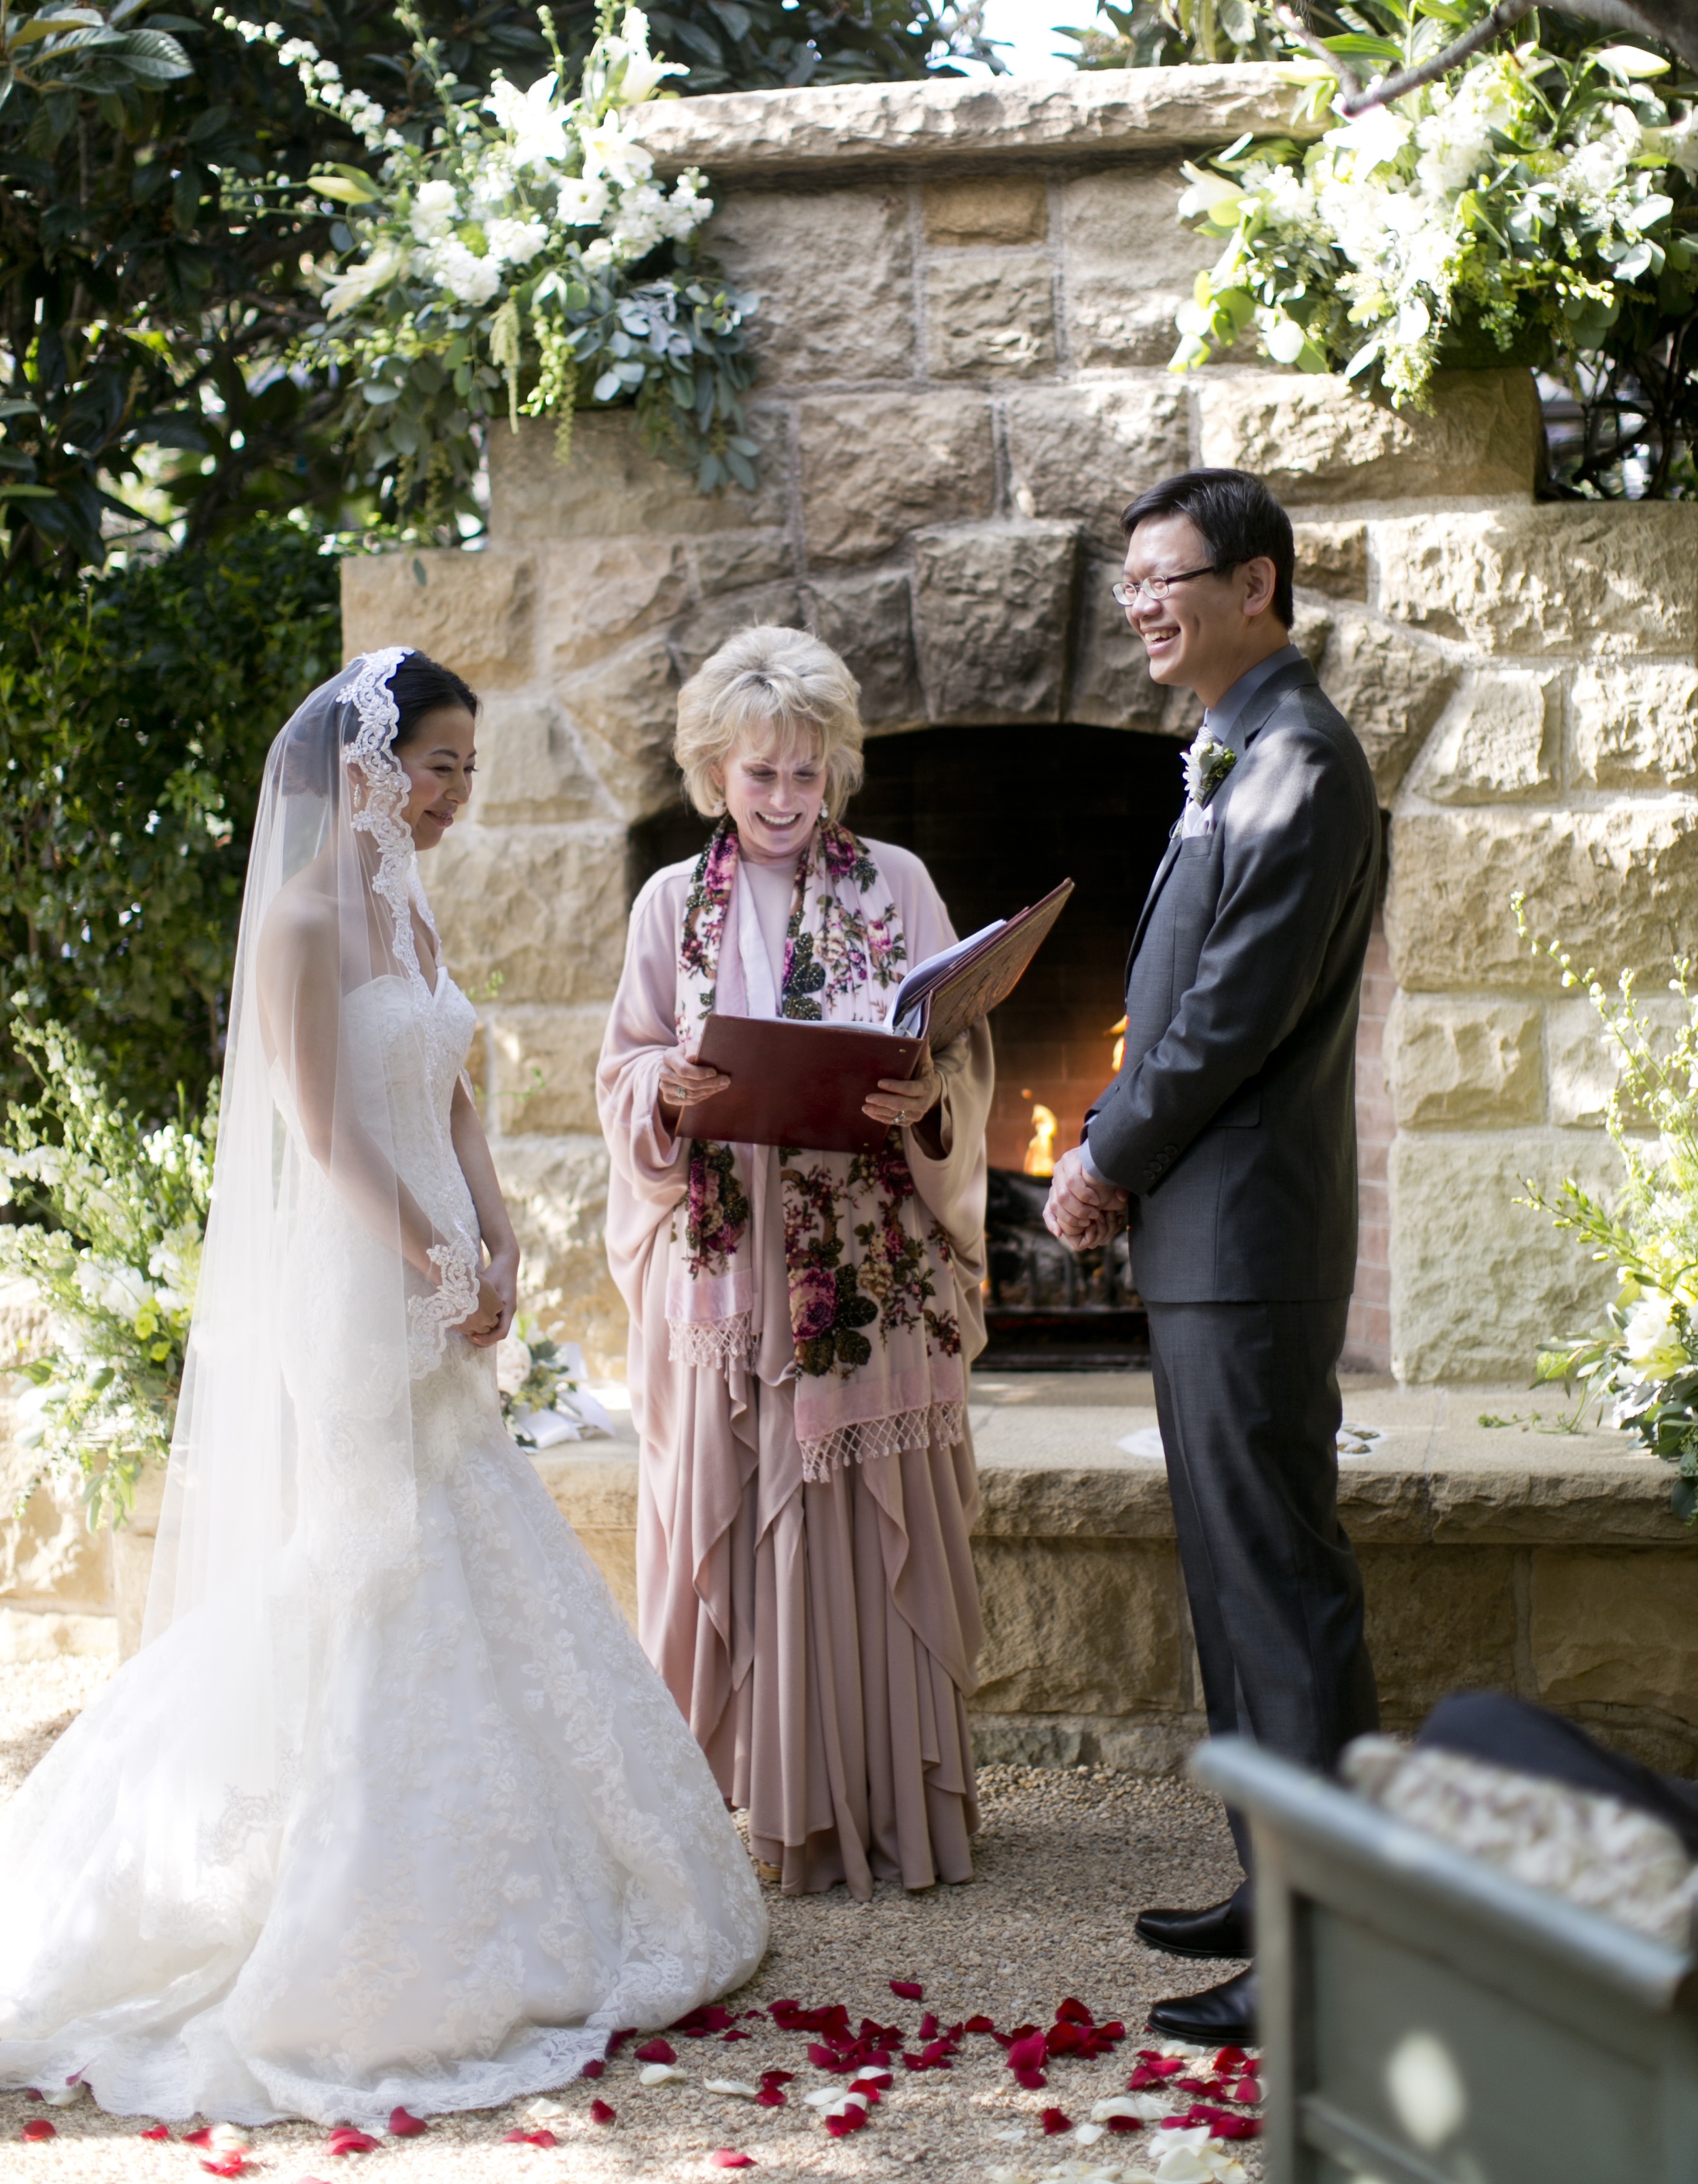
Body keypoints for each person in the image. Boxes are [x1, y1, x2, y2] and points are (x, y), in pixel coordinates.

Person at [0, 649, 765, 2127]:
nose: (456, 797)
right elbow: (328, 1130)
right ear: (365, 766)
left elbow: (457, 1090)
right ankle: (296, 1898)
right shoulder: (298, 921)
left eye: (472, 771)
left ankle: (542, 1886)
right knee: (359, 1565)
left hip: (441, 1262)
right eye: (439, 767)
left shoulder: (412, 900)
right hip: (356, 1285)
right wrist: (429, 1256)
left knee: (466, 1536)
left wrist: (496, 1228)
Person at [1046, 469, 1381, 2047]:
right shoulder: (1236, 754)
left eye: (1163, 576)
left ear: (1256, 585)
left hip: (1245, 1243)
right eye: (1125, 582)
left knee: (1278, 1590)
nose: (1139, 605)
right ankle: (1270, 1881)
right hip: (1208, 1242)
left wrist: (1105, 1152)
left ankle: (1327, 1948)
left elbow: (1228, 1015)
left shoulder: (1299, 764)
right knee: (1229, 1588)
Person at [598, 624, 994, 1899]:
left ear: (838, 773)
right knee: (730, 1518)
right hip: (729, 1264)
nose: (783, 801)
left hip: (867, 1268)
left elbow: (960, 1057)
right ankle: (730, 1829)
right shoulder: (671, 902)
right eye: (758, 775)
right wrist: (669, 1080)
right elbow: (623, 1069)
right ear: (714, 771)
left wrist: (925, 1091)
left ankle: (880, 1815)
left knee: (862, 1530)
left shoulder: (899, 884)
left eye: (806, 775)